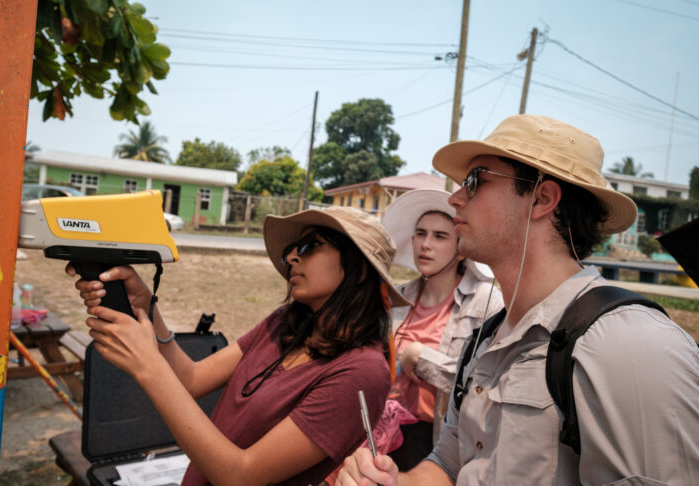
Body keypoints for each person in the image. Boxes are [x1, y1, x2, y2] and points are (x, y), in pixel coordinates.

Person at [337, 114, 699, 486]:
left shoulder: (630, 344)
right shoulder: (486, 337)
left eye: (476, 180)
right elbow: (449, 463)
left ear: (542, 198)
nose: (455, 198)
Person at [67, 206, 412, 486]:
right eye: (291, 249)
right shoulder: (284, 323)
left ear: (360, 270)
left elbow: (240, 475)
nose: (292, 256)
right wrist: (144, 306)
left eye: (309, 246)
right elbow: (191, 379)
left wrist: (148, 367)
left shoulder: (361, 371)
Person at [380, 188, 502, 470]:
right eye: (420, 234)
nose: (426, 244)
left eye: (440, 236)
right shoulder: (395, 299)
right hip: (385, 431)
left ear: (461, 248)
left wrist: (420, 357)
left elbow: (485, 381)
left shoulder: (486, 303)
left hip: (438, 441)